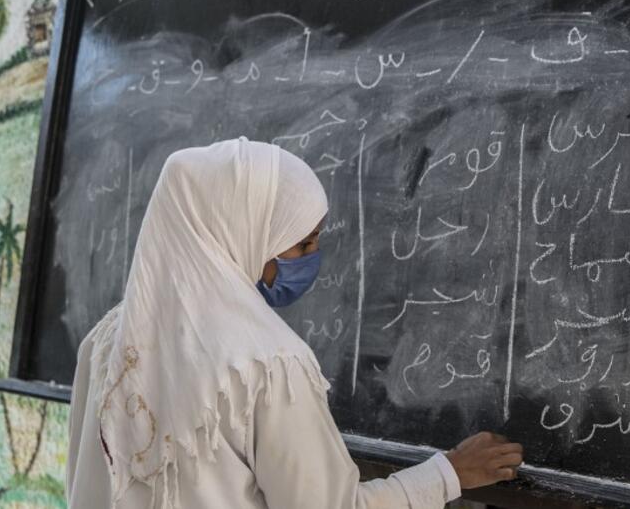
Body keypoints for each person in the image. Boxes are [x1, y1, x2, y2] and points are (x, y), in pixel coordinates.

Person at [66, 138, 522, 508]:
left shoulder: (106, 342)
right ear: (242, 233)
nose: (311, 261)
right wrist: (447, 474)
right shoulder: (268, 365)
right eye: (300, 244)